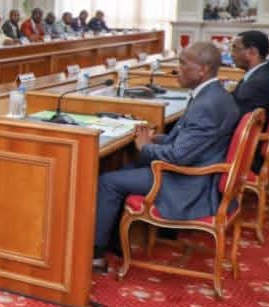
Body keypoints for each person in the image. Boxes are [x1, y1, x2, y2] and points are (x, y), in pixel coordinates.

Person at [93, 42, 239, 267]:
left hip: (188, 183)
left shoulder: (206, 105)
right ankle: (117, 242)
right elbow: (192, 140)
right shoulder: (215, 94)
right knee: (125, 168)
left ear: (203, 69)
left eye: (182, 64)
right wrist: (158, 139)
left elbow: (178, 156)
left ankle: (95, 255)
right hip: (197, 170)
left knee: (107, 181)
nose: (176, 69)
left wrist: (145, 147)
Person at [230, 30, 269, 120]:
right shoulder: (262, 74)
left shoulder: (256, 84)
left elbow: (235, 119)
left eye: (235, 48)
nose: (231, 54)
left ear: (252, 51)